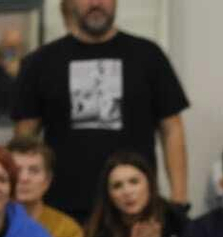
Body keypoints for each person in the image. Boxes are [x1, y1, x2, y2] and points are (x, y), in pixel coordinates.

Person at [13, 0, 191, 222]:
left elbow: (172, 129)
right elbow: (24, 140)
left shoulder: (148, 55)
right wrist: (21, 198)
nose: (96, 3)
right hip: (62, 208)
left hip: (134, 206)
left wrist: (179, 198)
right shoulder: (40, 61)